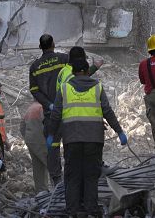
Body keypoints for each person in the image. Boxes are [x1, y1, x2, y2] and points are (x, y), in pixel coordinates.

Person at [48, 58, 126, 217]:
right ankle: (91, 210)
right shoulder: (97, 87)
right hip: (94, 139)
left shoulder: (64, 89)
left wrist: (51, 135)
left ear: (74, 71)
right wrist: (119, 131)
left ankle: (72, 211)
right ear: (85, 70)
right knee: (91, 175)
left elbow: (55, 115)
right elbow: (107, 111)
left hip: (72, 139)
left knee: (72, 176)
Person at [29, 34, 69, 186]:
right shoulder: (64, 59)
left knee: (53, 146)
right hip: (67, 111)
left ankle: (57, 180)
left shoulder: (34, 67)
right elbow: (77, 76)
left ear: (40, 47)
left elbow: (34, 90)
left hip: (50, 115)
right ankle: (71, 175)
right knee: (70, 142)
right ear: (53, 44)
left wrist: (48, 104)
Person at [20, 102, 50, 193]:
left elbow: (22, 126)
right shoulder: (41, 108)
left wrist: (26, 138)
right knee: (50, 164)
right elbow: (49, 125)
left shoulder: (30, 108)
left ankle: (41, 190)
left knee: (38, 166)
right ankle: (57, 188)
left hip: (30, 141)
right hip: (40, 140)